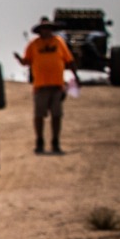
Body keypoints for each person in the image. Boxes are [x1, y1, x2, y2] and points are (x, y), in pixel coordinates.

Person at [16, 18, 77, 154]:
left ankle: (55, 141)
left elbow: (69, 60)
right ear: (40, 31)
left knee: (57, 115)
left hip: (57, 85)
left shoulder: (59, 42)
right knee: (39, 116)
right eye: (44, 29)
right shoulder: (34, 44)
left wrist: (76, 77)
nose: (46, 31)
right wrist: (19, 59)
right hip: (40, 86)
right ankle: (40, 140)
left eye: (48, 28)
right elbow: (26, 61)